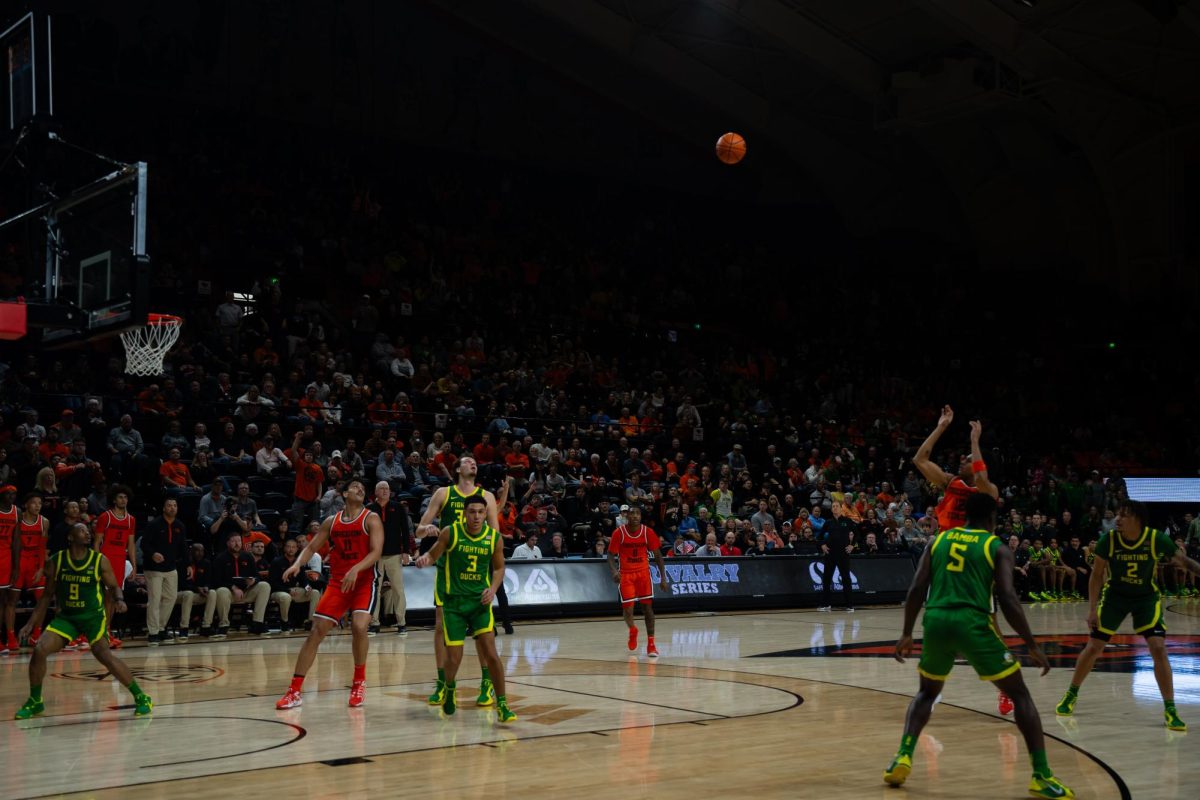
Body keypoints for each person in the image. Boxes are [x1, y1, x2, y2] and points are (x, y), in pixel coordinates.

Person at [884, 493, 1072, 798]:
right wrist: (1031, 644)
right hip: (972, 622)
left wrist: (906, 632)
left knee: (926, 693)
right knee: (1020, 694)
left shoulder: (939, 541)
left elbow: (917, 586)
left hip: (936, 620)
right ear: (992, 519)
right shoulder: (995, 546)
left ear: (963, 515)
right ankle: (1041, 775)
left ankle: (902, 756)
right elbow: (1009, 600)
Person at [1055, 499, 1200, 731]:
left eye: (1123, 515)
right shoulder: (1109, 540)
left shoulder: (1154, 538)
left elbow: (1183, 561)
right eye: (1117, 515)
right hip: (1115, 597)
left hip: (1145, 598)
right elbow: (1096, 575)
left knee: (1158, 647)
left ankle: (1170, 708)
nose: (1118, 519)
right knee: (1094, 646)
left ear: (1137, 519)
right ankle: (1071, 694)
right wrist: (1092, 609)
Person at [14, 522, 153, 719]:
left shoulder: (99, 560)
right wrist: (30, 624)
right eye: (82, 531)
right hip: (67, 618)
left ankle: (141, 697)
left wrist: (120, 600)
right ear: (70, 537)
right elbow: (46, 596)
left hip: (92, 618)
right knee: (39, 650)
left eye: (88, 531)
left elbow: (114, 586)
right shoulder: (57, 560)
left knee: (105, 656)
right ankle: (35, 701)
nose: (87, 534)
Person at [276, 480, 384, 709]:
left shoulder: (371, 518)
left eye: (363, 488)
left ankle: (359, 682)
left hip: (364, 581)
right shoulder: (331, 521)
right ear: (344, 493)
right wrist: (297, 564)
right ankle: (294, 690)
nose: (360, 489)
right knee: (316, 630)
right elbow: (311, 547)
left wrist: (356, 569)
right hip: (338, 582)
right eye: (355, 487)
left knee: (359, 626)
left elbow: (376, 552)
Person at [415, 459, 512, 709]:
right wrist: (427, 530)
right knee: (440, 628)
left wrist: (491, 578)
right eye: (467, 461)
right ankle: (443, 684)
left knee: (483, 636)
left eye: (475, 462)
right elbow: (419, 528)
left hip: (475, 572)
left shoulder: (486, 496)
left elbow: (494, 534)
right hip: (448, 572)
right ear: (457, 469)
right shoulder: (444, 493)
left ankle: (486, 684)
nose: (473, 464)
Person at [607, 505, 669, 658]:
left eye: (637, 514)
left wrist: (663, 577)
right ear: (627, 516)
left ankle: (651, 644)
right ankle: (633, 629)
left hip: (643, 574)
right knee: (628, 610)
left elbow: (658, 555)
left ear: (641, 517)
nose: (635, 516)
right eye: (632, 514)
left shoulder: (648, 532)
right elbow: (610, 555)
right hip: (626, 575)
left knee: (647, 609)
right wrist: (614, 571)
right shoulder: (619, 533)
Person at [201, 532, 272, 638]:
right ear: (228, 543)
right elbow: (216, 581)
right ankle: (224, 625)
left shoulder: (247, 556)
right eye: (233, 541)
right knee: (221, 591)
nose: (237, 543)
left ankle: (257, 623)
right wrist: (233, 587)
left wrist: (253, 581)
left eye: (239, 541)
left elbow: (256, 575)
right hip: (229, 593)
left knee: (264, 586)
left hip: (246, 591)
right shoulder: (220, 558)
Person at [93, 485, 137, 648]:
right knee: (105, 598)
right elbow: (97, 542)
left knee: (112, 598)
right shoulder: (106, 517)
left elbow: (131, 544)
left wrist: (133, 565)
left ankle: (107, 631)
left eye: (125, 497)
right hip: (106, 558)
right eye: (120, 497)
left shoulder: (131, 519)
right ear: (113, 499)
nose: (123, 500)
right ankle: (101, 633)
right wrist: (96, 562)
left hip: (120, 560)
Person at [368, 480, 413, 636]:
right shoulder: (369, 509)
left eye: (387, 488)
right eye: (382, 488)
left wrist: (406, 551)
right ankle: (374, 624)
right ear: (376, 492)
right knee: (375, 590)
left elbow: (405, 530)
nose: (385, 490)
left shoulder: (398, 507)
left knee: (398, 589)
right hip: (375, 555)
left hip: (394, 554)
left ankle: (402, 623)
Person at [143, 497, 188, 645]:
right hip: (153, 568)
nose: (172, 508)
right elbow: (144, 544)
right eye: (169, 505)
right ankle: (153, 632)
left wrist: (187, 565)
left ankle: (161, 628)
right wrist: (153, 554)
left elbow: (183, 547)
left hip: (171, 568)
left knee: (170, 598)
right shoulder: (154, 524)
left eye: (175, 505)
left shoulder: (180, 526)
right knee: (155, 600)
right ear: (164, 508)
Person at [13, 493, 49, 646]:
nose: (37, 506)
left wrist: (41, 568)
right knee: (10, 602)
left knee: (42, 600)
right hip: (20, 562)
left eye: (40, 503)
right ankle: (10, 637)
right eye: (34, 503)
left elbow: (42, 548)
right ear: (26, 505)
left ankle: (36, 634)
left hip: (35, 563)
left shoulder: (44, 522)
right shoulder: (18, 521)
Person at [269, 538, 320, 632]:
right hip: (278, 591)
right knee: (286, 597)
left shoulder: (299, 562)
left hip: (294, 591)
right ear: (284, 548)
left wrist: (307, 587)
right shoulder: (276, 561)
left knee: (315, 592)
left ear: (297, 549)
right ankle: (284, 622)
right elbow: (272, 583)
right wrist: (287, 590)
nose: (291, 549)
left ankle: (310, 621)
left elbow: (304, 580)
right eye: (288, 547)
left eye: (293, 547)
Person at [818, 501, 855, 612]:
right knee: (826, 579)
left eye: (836, 506)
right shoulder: (828, 522)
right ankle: (826, 604)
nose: (834, 508)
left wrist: (852, 546)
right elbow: (819, 536)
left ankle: (849, 605)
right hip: (830, 554)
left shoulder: (847, 521)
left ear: (841, 508)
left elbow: (857, 534)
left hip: (843, 554)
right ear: (831, 509)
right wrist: (823, 545)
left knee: (846, 579)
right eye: (833, 506)